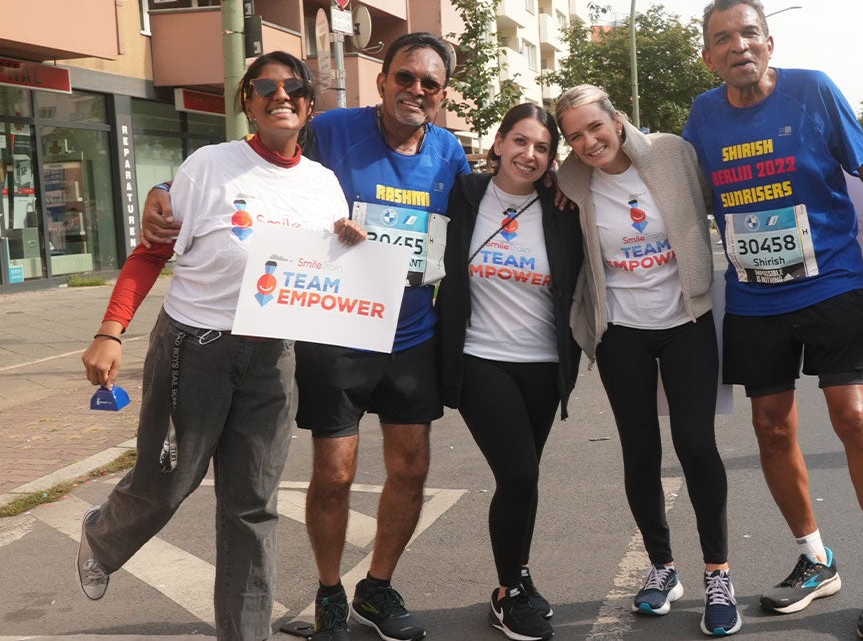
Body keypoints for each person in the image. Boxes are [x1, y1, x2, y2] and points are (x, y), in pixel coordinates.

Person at [141, 32, 469, 641]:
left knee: (411, 466)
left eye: (429, 83)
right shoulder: (335, 127)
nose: (415, 90)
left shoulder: (450, 152)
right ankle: (328, 593)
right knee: (336, 474)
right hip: (336, 329)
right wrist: (163, 192)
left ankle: (377, 586)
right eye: (405, 77)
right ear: (383, 80)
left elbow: (480, 209)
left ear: (443, 94)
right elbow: (261, 151)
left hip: (412, 333)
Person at [77, 51, 364, 640]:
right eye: (265, 87)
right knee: (168, 483)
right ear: (247, 103)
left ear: (309, 104)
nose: (280, 95)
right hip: (193, 349)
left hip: (271, 358)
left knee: (253, 504)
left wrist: (353, 247)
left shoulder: (325, 185)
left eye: (293, 88)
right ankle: (102, 533)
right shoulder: (210, 165)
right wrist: (110, 331)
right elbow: (152, 253)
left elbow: (329, 278)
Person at [683, 0, 863, 641]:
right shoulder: (703, 117)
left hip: (832, 284)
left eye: (749, 33)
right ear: (709, 56)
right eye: (723, 39)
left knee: (851, 414)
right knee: (770, 426)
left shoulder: (813, 92)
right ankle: (816, 557)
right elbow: (676, 188)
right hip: (756, 296)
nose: (738, 46)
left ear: (770, 42)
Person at [555, 84, 741, 637]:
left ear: (618, 118)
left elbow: (726, 198)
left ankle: (718, 574)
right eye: (575, 135)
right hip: (621, 333)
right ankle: (663, 569)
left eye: (595, 127)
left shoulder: (672, 153)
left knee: (695, 443)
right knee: (640, 451)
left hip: (687, 320)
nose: (589, 142)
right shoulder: (570, 180)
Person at [436, 103, 583, 641]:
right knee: (518, 472)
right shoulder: (466, 195)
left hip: (543, 364)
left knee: (525, 477)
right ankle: (506, 591)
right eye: (520, 142)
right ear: (498, 143)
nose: (529, 154)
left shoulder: (563, 206)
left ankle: (519, 577)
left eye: (542, 147)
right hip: (480, 357)